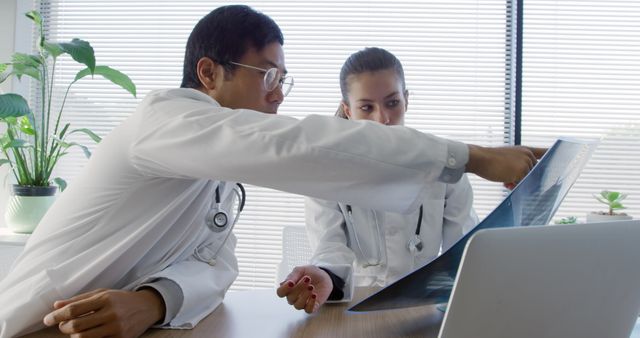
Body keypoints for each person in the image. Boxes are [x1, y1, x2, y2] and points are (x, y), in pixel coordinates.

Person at [0, 5, 544, 338]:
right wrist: (470, 156)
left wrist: (152, 302)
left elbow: (217, 266)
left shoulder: (211, 168)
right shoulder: (164, 120)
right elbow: (293, 145)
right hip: (34, 325)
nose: (279, 95)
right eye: (269, 76)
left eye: (286, 79)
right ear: (208, 73)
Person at [276, 47, 479, 312]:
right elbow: (330, 249)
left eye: (392, 103)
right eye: (366, 107)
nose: (382, 119)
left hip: (425, 308)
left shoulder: (445, 168)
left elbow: (463, 252)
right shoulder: (326, 174)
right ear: (348, 110)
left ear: (406, 100)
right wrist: (326, 275)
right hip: (358, 307)